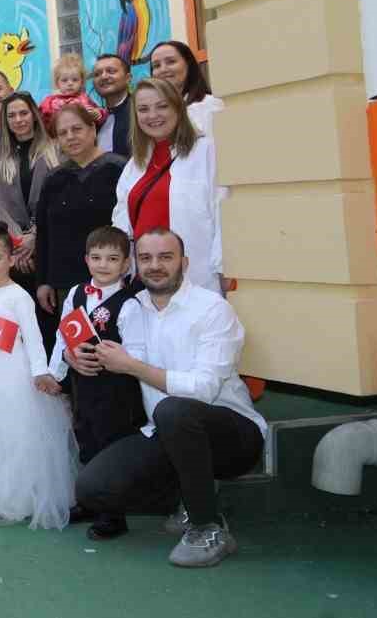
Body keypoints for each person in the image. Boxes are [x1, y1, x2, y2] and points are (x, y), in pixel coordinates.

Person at [72, 229, 264, 567]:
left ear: (184, 263)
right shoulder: (133, 309)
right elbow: (118, 367)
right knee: (93, 487)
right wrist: (78, 359)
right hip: (165, 430)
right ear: (136, 265)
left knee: (175, 411)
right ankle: (190, 498)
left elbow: (203, 390)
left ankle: (209, 528)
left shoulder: (212, 310)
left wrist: (132, 365)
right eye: (146, 258)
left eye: (166, 257)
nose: (155, 266)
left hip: (233, 434)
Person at [0, 226, 76, 530]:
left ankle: (17, 496)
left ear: (10, 259)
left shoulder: (19, 296)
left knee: (14, 431)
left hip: (12, 372)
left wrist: (39, 371)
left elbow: (33, 337)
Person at [43, 226, 145, 540]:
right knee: (84, 437)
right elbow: (63, 333)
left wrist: (113, 358)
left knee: (110, 444)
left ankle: (113, 514)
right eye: (97, 257)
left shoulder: (131, 304)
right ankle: (89, 500)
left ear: (126, 264)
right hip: (82, 384)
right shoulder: (75, 293)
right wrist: (58, 369)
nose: (103, 265)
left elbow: (137, 350)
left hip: (116, 389)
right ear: (86, 260)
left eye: (112, 259)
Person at [112, 78, 225, 293]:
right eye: (143, 109)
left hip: (196, 277)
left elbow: (222, 211)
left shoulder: (206, 152)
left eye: (162, 106)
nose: (152, 115)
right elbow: (121, 221)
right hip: (146, 281)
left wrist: (223, 268)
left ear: (178, 108)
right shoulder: (135, 164)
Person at [34, 103, 127, 314]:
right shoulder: (53, 179)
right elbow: (44, 233)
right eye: (63, 133)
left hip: (112, 280)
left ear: (93, 129)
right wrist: (43, 281)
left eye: (77, 129)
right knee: (75, 345)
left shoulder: (119, 169)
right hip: (66, 285)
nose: (70, 136)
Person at [0, 92, 60, 276]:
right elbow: (2, 206)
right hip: (19, 252)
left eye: (24, 113)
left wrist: (35, 236)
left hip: (51, 241)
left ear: (34, 115)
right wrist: (20, 244)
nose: (18, 120)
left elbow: (59, 199)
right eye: (11, 116)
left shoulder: (56, 150)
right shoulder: (0, 160)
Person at [150, 39, 225, 136]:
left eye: (171, 62)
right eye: (156, 66)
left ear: (188, 64)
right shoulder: (152, 115)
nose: (163, 69)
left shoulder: (210, 105)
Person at [39, 53, 103, 136]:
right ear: (57, 83)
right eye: (64, 80)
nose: (70, 83)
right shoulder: (50, 101)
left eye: (75, 80)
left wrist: (98, 113)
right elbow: (41, 120)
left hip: (83, 139)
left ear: (82, 82)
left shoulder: (85, 99)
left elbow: (100, 115)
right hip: (59, 139)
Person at [92, 54, 133, 157]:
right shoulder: (93, 118)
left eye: (111, 71)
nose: (104, 77)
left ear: (128, 78)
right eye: (97, 74)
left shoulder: (140, 111)